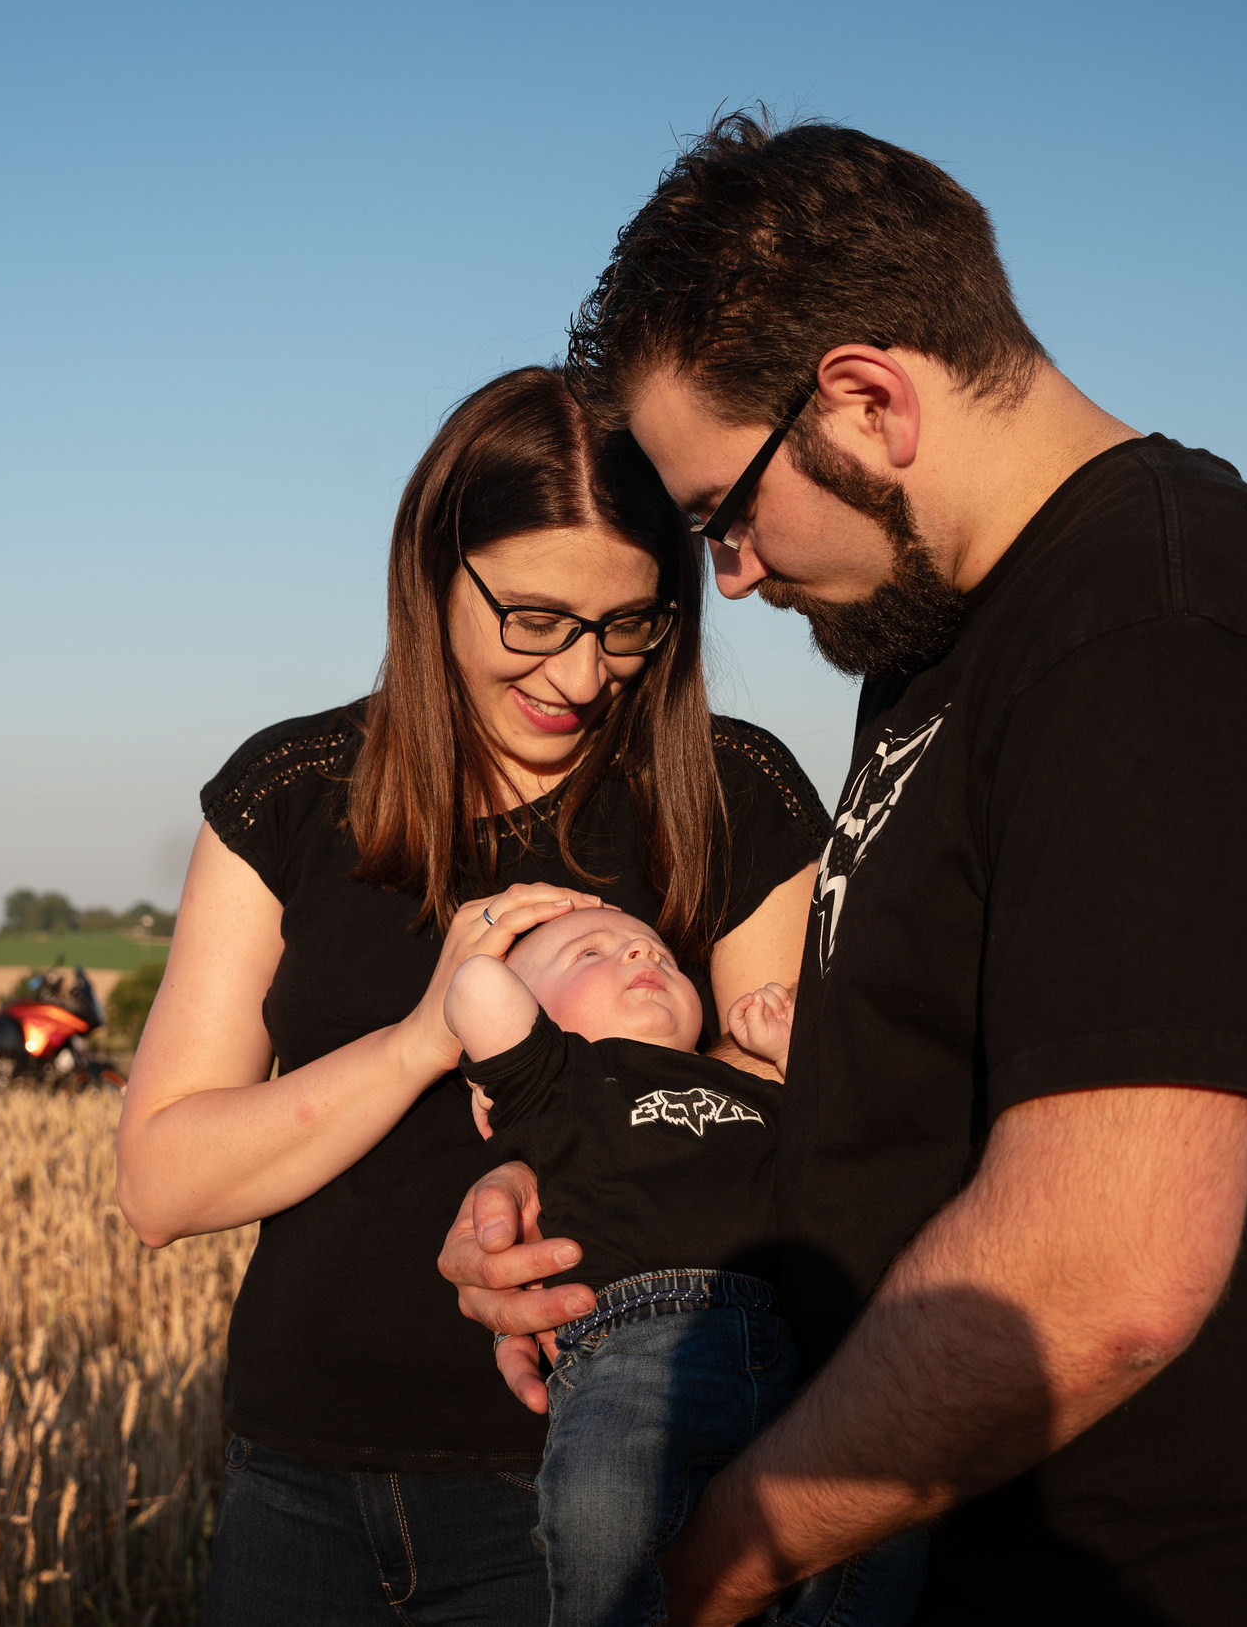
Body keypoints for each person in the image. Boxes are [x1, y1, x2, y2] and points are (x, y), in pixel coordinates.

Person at [441, 114, 1247, 1626]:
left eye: (726, 513)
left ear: (864, 400)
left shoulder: (1158, 635)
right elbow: (902, 1121)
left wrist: (722, 1564)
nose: (735, 574)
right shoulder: (948, 640)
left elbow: (1102, 1268)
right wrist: (598, 1196)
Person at [115, 365, 832, 1625]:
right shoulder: (287, 793)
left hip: (592, 1489)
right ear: (432, 568)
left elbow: (796, 1133)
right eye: (536, 618)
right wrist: (421, 1039)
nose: (582, 674)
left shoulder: (735, 793)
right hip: (297, 1484)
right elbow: (162, 1182)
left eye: (629, 624)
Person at [448, 905, 924, 1627]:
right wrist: (494, 985)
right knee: (598, 1507)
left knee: (888, 1514)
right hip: (637, 1350)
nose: (642, 952)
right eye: (590, 954)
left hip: (789, 1345)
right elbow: (478, 987)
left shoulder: (758, 1085)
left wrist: (798, 1053)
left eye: (661, 955)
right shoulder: (563, 1082)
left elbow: (847, 1143)